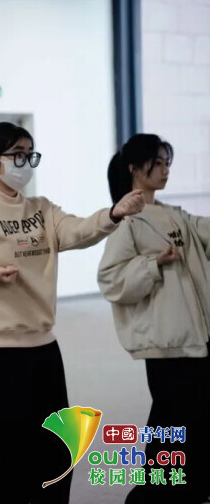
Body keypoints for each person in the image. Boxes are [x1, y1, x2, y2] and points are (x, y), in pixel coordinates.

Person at [0, 122, 145, 503]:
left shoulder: (41, 209)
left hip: (41, 343)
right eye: (17, 155)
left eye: (30, 154)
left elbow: (77, 231)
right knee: (6, 451)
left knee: (57, 447)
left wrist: (113, 213)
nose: (25, 163)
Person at [98, 134, 210, 504]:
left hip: (199, 337)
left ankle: (193, 490)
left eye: (166, 163)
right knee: (171, 422)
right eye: (158, 162)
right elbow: (111, 279)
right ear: (134, 168)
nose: (165, 170)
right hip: (166, 340)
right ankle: (151, 496)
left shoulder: (176, 215)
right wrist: (152, 264)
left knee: (197, 419)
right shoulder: (126, 220)